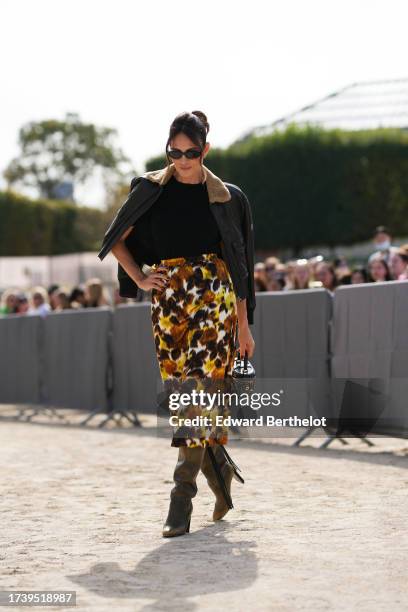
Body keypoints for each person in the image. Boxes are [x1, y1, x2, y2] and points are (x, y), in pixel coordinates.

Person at [98, 110, 256, 538]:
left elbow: (242, 267)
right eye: (174, 151)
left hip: (214, 298)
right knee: (184, 396)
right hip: (168, 300)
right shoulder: (149, 189)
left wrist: (244, 325)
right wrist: (139, 277)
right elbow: (114, 238)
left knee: (198, 393)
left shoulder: (229, 196)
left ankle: (180, 497)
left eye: (189, 152)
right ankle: (220, 473)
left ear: (205, 150)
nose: (181, 159)